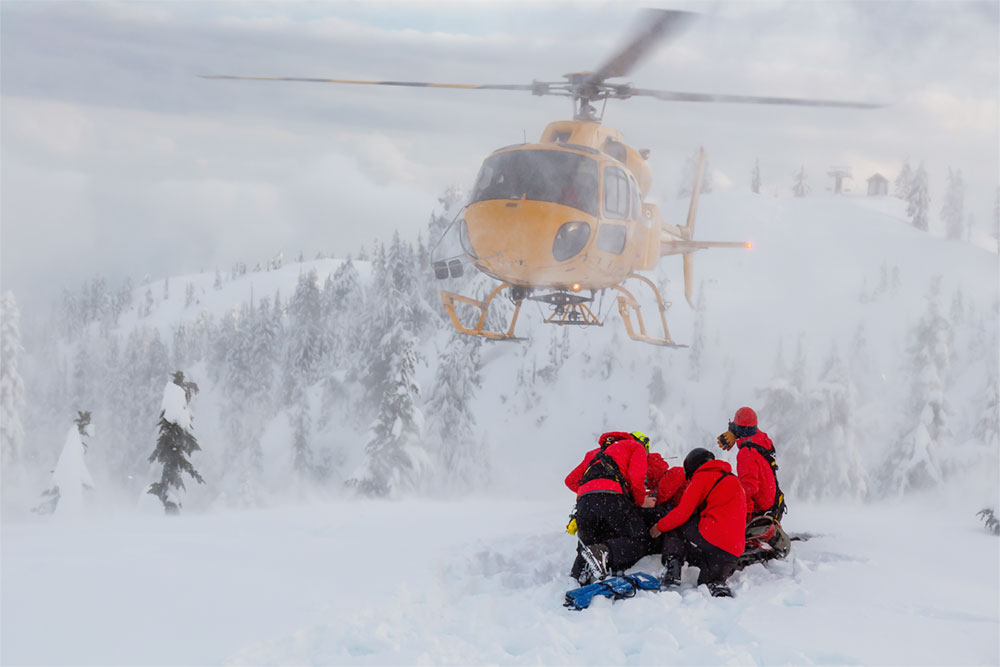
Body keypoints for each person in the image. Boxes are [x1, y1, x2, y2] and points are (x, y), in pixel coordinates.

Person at [649, 448, 746, 597]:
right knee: (707, 582)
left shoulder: (703, 476)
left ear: (693, 468)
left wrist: (659, 526)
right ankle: (716, 582)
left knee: (674, 524)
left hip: (713, 537)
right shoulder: (733, 479)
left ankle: (673, 569)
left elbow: (682, 513)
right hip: (732, 551)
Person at [565, 431, 650, 584]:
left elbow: (570, 480)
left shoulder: (593, 453)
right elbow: (637, 479)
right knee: (639, 538)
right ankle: (604, 553)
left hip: (584, 501)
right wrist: (640, 501)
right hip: (611, 496)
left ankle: (577, 578)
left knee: (589, 541)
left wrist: (590, 490)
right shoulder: (635, 446)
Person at [716, 407, 785, 522]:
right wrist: (734, 433)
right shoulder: (763, 439)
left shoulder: (746, 453)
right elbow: (748, 431)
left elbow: (749, 488)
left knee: (727, 488)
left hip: (760, 510)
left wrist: (742, 519)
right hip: (773, 504)